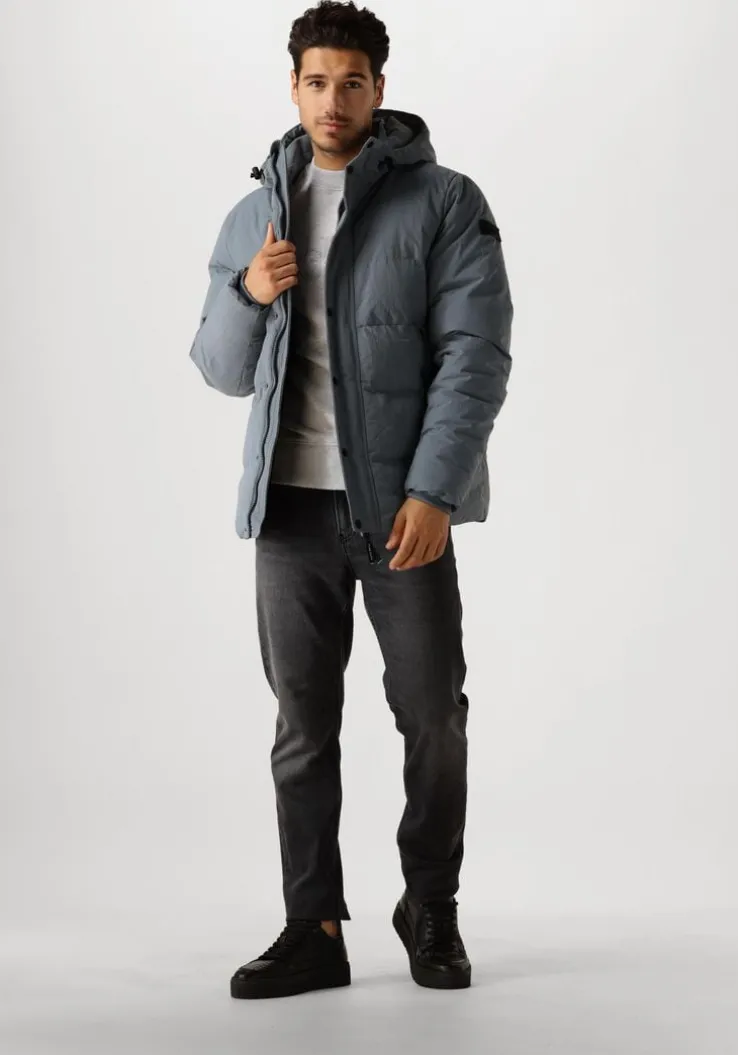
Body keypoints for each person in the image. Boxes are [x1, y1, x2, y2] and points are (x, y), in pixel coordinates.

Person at [189, 0, 514, 999]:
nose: (334, 100)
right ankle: (313, 925)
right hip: (288, 512)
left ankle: (431, 904)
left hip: (399, 510)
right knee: (302, 727)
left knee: (433, 715)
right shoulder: (256, 213)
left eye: (353, 82)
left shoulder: (445, 202)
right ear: (294, 87)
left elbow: (476, 355)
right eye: (318, 81)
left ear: (380, 89)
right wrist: (249, 294)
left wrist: (435, 489)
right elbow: (219, 368)